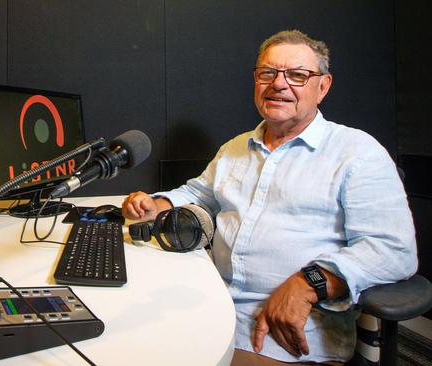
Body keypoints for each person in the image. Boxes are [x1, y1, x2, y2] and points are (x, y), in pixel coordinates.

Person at [121, 30, 417, 365]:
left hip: (285, 332)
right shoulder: (235, 148)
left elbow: (395, 249)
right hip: (210, 304)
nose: (279, 84)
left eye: (297, 75)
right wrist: (156, 205)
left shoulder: (357, 153)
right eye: (268, 73)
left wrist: (308, 283)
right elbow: (198, 193)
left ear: (323, 87)